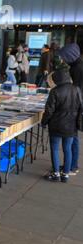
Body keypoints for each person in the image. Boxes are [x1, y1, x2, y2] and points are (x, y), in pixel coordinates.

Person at [41, 69, 83, 183]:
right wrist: (78, 124)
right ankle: (65, 174)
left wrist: (44, 122)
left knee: (54, 149)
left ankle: (55, 174)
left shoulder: (55, 91)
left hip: (56, 125)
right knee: (67, 149)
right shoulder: (77, 89)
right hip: (71, 125)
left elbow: (49, 111)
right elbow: (81, 109)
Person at [59, 43, 83, 175]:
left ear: (70, 56)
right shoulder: (77, 65)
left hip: (75, 106)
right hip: (76, 105)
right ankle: (72, 165)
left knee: (72, 138)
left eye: (64, 57)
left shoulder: (77, 68)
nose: (63, 60)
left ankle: (72, 166)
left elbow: (77, 90)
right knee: (73, 137)